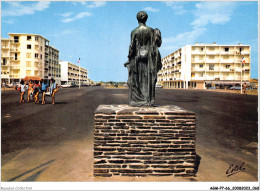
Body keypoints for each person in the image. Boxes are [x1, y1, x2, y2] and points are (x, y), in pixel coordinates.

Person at [124, 11, 162, 107]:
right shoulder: (151, 31)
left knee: (137, 79)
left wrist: (129, 58)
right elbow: (156, 45)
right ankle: (148, 100)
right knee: (148, 79)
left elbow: (132, 47)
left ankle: (138, 100)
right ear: (146, 19)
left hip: (138, 57)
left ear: (137, 19)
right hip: (149, 57)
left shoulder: (135, 31)